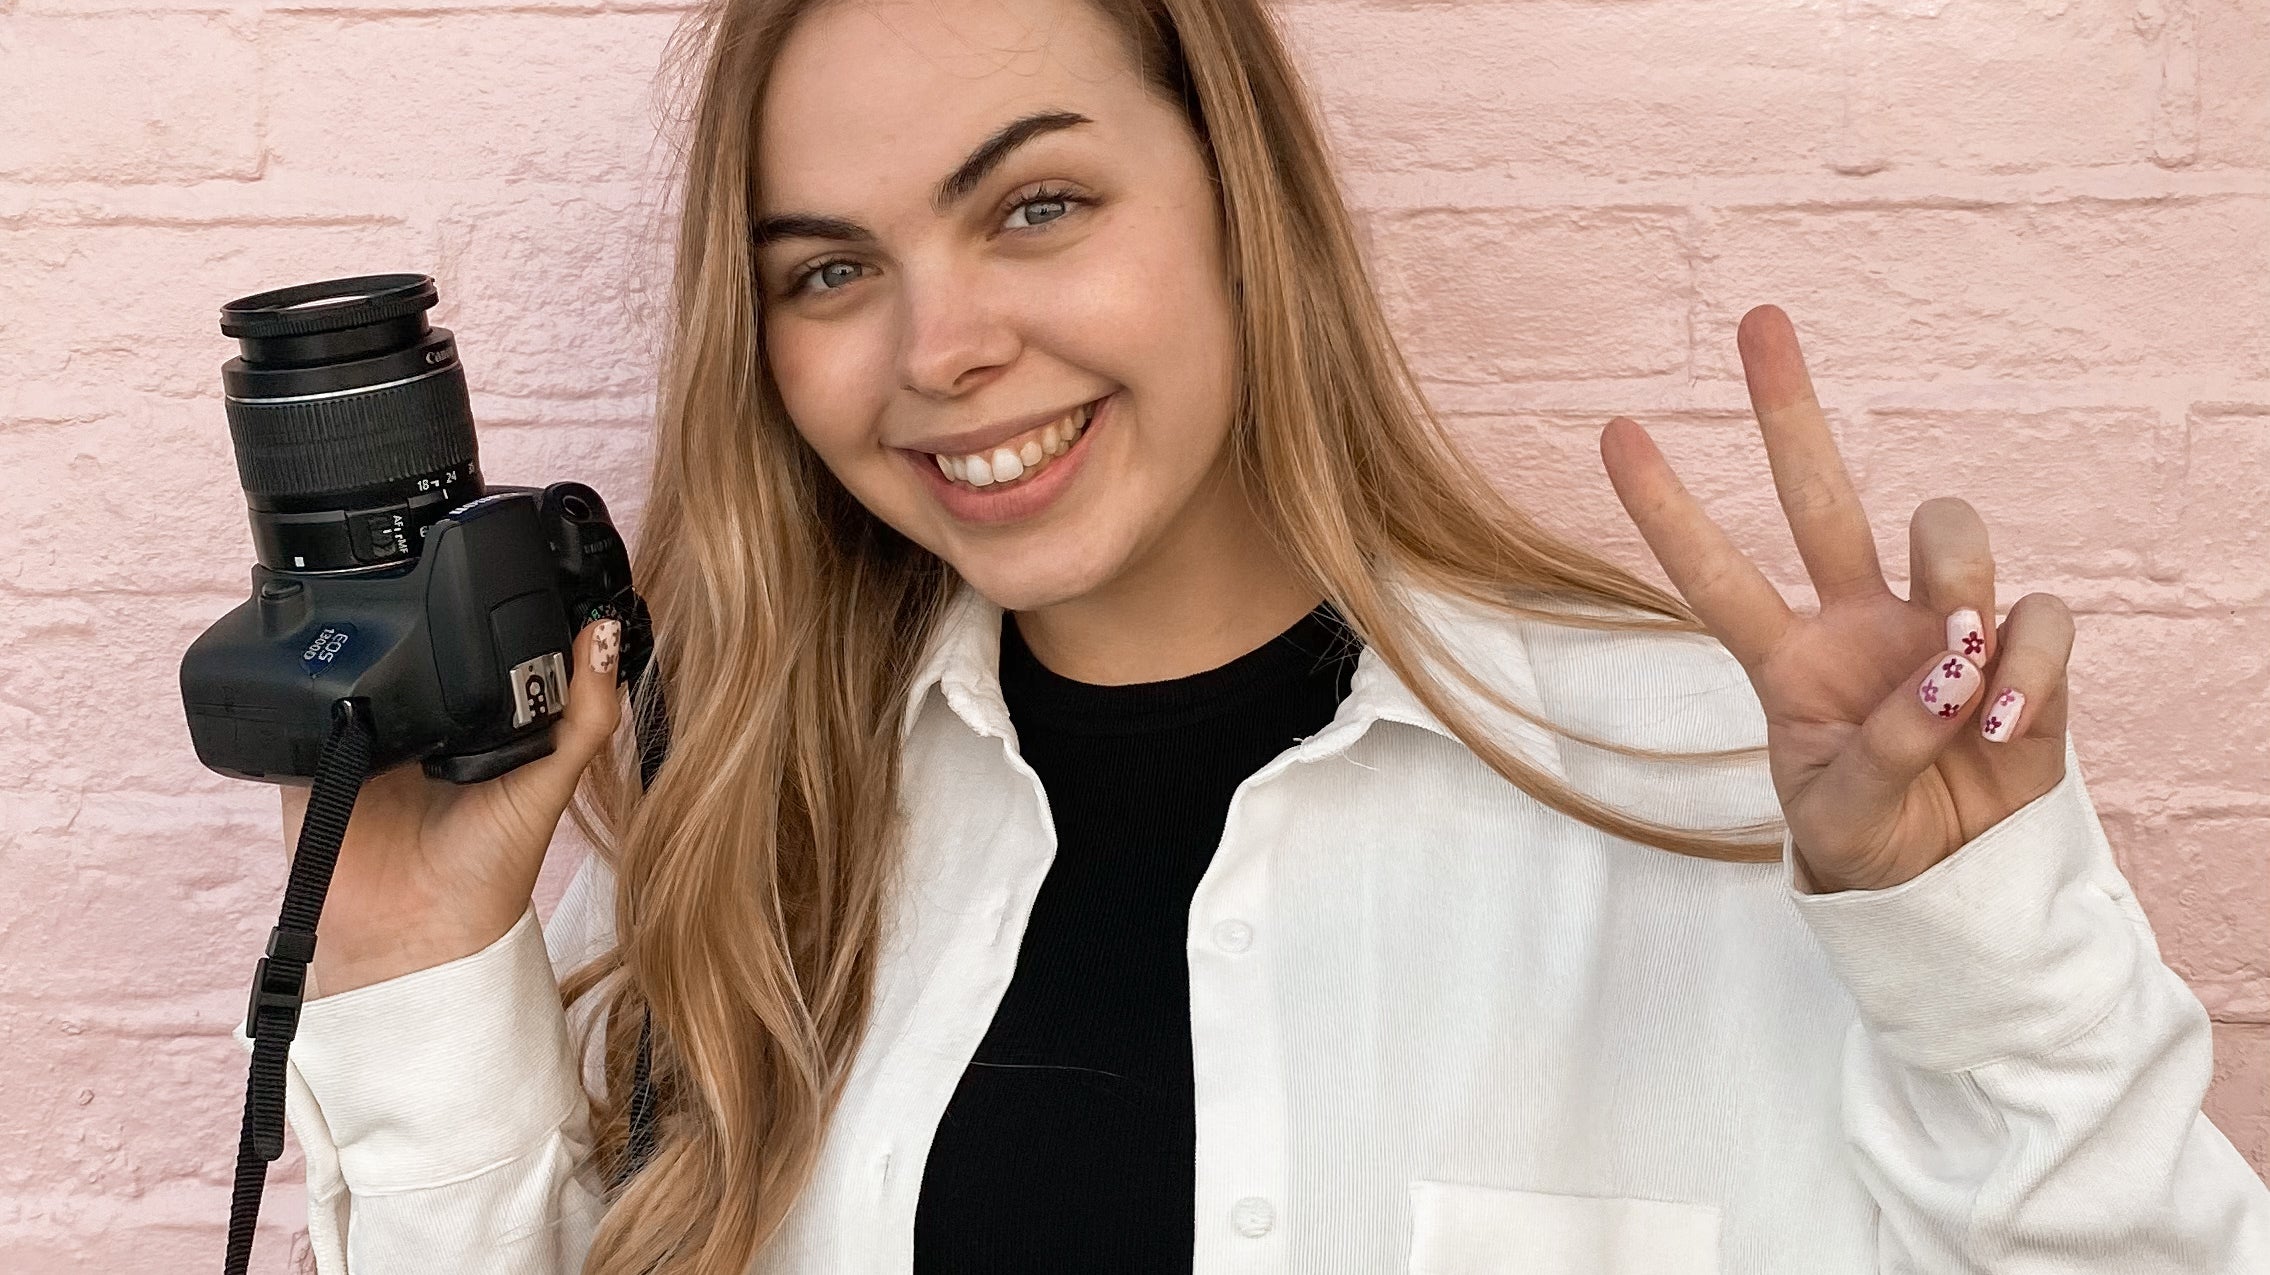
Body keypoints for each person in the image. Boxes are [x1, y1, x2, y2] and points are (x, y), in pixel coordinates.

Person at [241, 0, 2270, 1271]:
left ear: (1239, 204)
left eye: (1035, 206)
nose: (941, 349)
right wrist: (418, 971)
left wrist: (1975, 940)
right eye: (836, 266)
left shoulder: (1733, 785)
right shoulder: (773, 846)